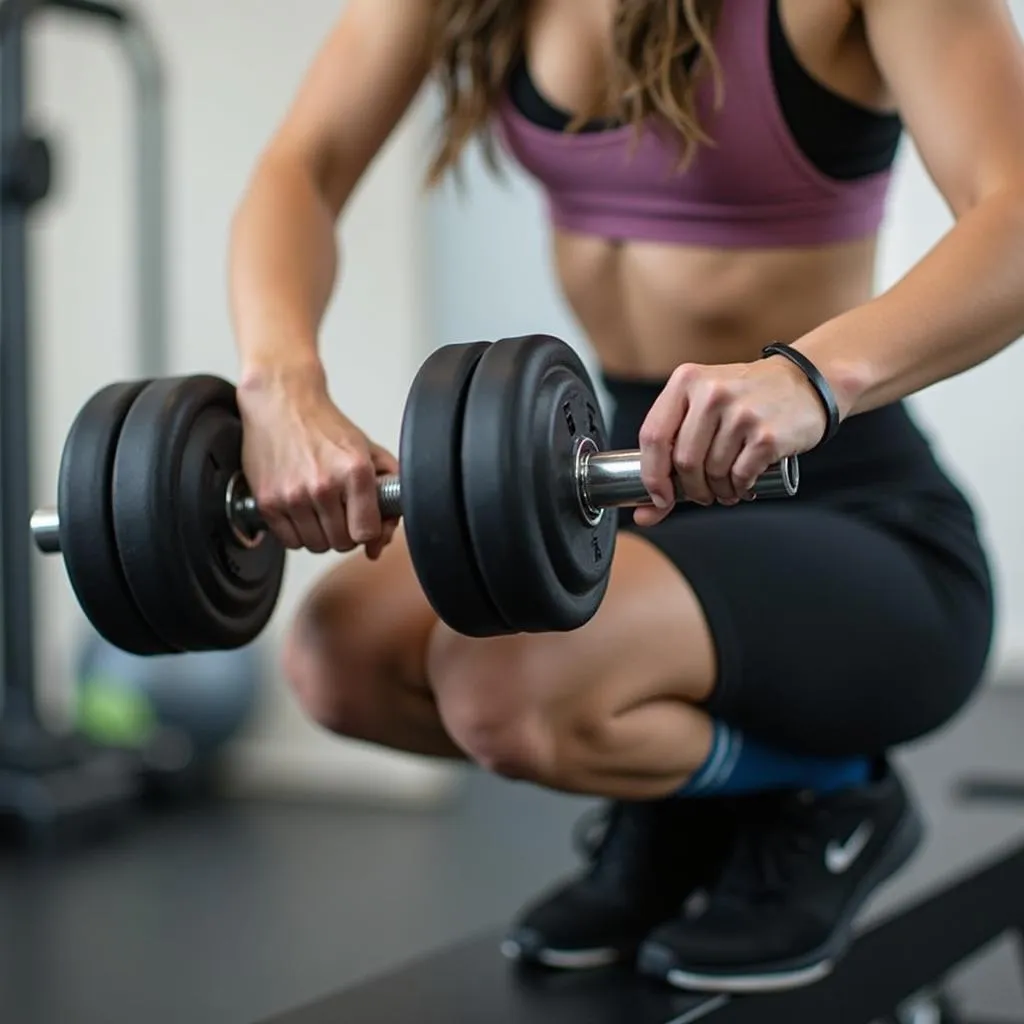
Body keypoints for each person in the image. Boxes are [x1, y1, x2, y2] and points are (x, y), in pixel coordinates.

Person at [228, 0, 1022, 995]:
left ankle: (836, 797)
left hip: (854, 514)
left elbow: (1017, 210)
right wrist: (281, 388)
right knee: (339, 655)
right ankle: (690, 803)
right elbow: (301, 165)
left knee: (502, 687)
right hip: (622, 485)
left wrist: (812, 377)